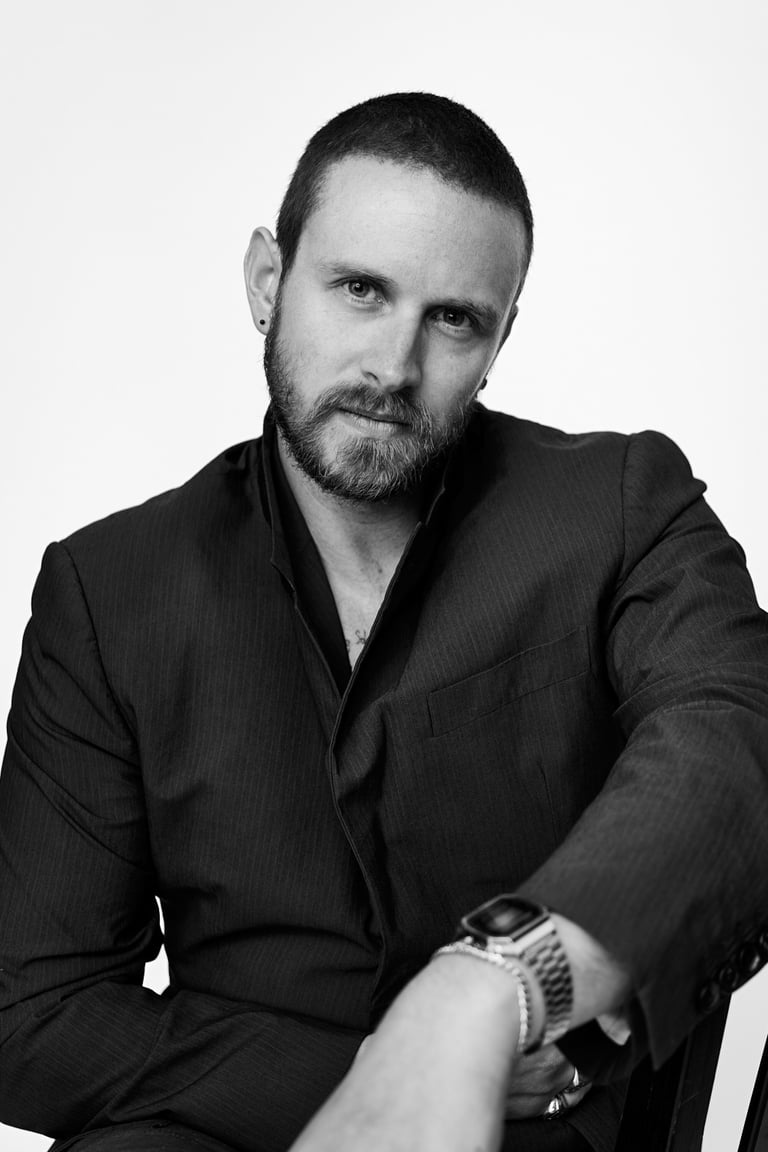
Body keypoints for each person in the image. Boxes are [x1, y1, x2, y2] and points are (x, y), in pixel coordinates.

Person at [1, 92, 767, 1152]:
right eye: (360, 290)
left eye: (453, 319)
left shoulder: (621, 504)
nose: (394, 370)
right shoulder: (110, 586)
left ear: (501, 337)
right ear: (267, 283)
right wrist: (403, 1066)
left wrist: (488, 990)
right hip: (222, 1128)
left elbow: (739, 744)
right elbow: (33, 1019)